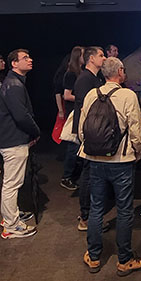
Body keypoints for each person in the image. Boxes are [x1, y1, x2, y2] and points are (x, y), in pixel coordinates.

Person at [77, 57, 141, 276]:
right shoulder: (128, 95)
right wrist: (138, 152)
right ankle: (125, 260)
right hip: (121, 161)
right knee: (124, 209)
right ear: (119, 72)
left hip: (95, 160)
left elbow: (82, 129)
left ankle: (94, 257)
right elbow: (135, 130)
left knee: (96, 207)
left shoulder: (91, 94)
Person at [0, 49, 41, 239]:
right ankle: (11, 225)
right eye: (25, 58)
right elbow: (21, 115)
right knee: (12, 184)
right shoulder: (14, 85)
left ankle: (10, 215)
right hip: (13, 141)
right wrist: (36, 131)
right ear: (14, 63)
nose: (30, 60)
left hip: (12, 139)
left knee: (11, 183)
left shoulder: (13, 82)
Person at [73, 46, 106, 231]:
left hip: (94, 131)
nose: (104, 58)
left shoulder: (94, 78)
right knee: (87, 173)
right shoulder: (85, 79)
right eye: (101, 55)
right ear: (91, 58)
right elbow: (87, 108)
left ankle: (90, 213)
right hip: (88, 131)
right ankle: (85, 216)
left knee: (92, 172)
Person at [60, 46, 84, 191]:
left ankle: (73, 176)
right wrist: (84, 98)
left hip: (79, 112)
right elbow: (66, 95)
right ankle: (67, 177)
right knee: (73, 146)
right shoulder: (70, 74)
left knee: (77, 146)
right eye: (83, 55)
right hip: (73, 113)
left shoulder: (81, 73)